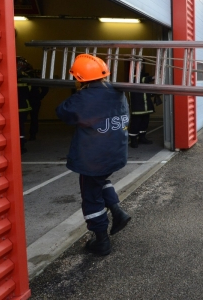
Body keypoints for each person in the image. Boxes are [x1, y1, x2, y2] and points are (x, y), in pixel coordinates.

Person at [56, 54, 132, 256]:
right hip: (114, 154)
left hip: (93, 159)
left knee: (91, 196)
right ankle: (117, 212)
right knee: (100, 181)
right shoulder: (117, 92)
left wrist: (78, 92)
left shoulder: (82, 99)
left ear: (79, 78)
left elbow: (63, 112)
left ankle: (101, 240)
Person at [128, 72, 156, 148]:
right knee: (135, 124)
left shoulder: (143, 76)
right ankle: (133, 140)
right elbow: (141, 80)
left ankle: (142, 138)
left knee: (144, 123)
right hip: (138, 107)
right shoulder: (133, 77)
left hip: (146, 107)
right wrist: (152, 78)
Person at [16, 57, 32, 154]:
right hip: (24, 106)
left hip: (12, 108)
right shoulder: (26, 77)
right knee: (21, 127)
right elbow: (29, 91)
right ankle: (21, 146)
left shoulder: (8, 75)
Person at [27, 69, 49, 141]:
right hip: (31, 100)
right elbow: (45, 89)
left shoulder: (31, 79)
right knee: (33, 118)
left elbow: (45, 88)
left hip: (30, 100)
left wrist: (39, 97)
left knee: (33, 118)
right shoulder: (31, 78)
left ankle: (32, 135)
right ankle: (32, 135)